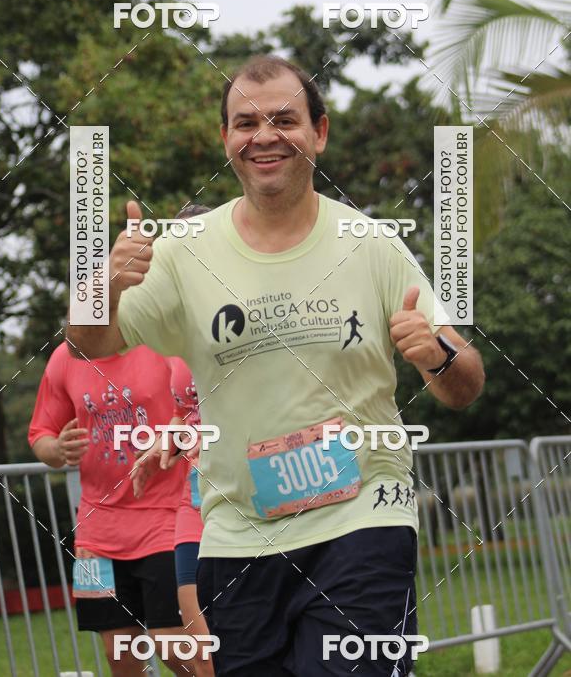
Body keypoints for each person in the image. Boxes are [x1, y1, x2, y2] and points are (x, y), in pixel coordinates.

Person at [66, 54, 485, 676]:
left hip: (362, 517)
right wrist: (102, 283)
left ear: (319, 132)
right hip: (237, 538)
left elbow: (464, 382)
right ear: (226, 140)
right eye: (244, 123)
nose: (263, 136)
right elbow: (87, 343)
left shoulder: (370, 243)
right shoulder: (183, 252)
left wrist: (439, 356)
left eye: (283, 119)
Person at [28, 342, 195, 677]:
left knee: (173, 646)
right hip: (96, 532)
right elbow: (39, 435)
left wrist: (173, 441)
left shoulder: (164, 342)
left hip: (167, 518)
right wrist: (58, 449)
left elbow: (200, 417)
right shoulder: (66, 356)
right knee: (119, 654)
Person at [134, 353, 215, 677]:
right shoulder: (175, 341)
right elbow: (184, 413)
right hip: (195, 501)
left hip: (253, 505)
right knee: (204, 654)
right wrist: (164, 443)